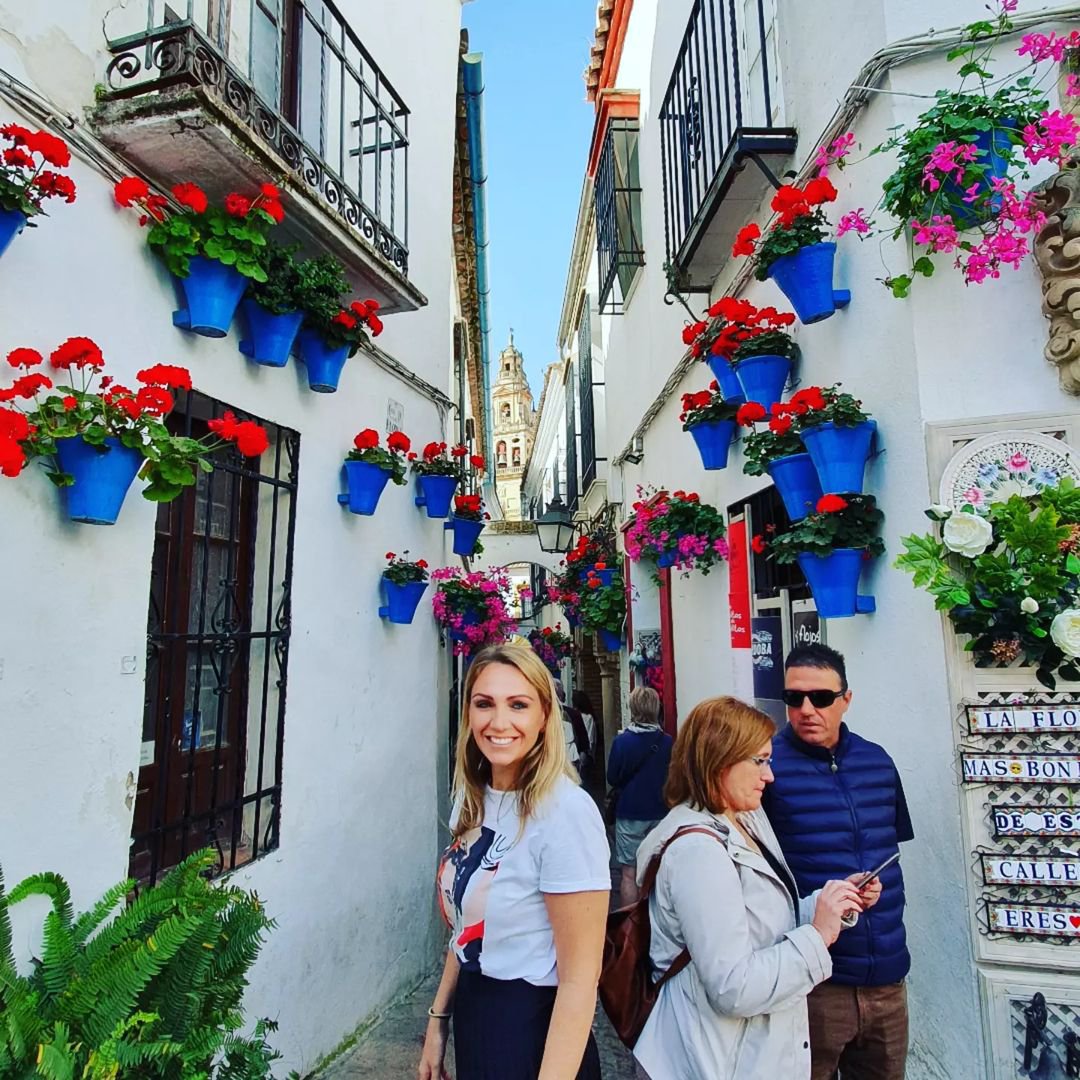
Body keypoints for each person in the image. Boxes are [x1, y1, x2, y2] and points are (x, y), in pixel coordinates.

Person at [633, 696, 874, 1080]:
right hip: (711, 1062)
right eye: (759, 761)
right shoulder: (699, 853)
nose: (770, 776)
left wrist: (831, 903)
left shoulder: (746, 820)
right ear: (718, 760)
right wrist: (818, 935)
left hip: (746, 1055)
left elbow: (763, 925)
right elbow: (734, 988)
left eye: (769, 760)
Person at [419, 644, 611, 1080]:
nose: (498, 722)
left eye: (518, 705)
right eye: (484, 704)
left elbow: (580, 982)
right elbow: (466, 931)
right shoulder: (473, 800)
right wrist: (438, 1019)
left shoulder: (565, 813)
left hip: (534, 1032)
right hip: (476, 1016)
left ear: (545, 717)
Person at [762, 643, 915, 1080]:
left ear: (846, 698)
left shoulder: (877, 762)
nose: (807, 709)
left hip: (886, 975)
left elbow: (892, 848)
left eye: (821, 698)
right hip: (814, 982)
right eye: (794, 698)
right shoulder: (767, 769)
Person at [607, 687, 673, 907]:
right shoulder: (668, 743)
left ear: (632, 708)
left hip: (630, 812)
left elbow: (613, 777)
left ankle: (629, 924)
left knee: (628, 872)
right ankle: (654, 920)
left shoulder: (622, 742)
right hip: (661, 813)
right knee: (658, 869)